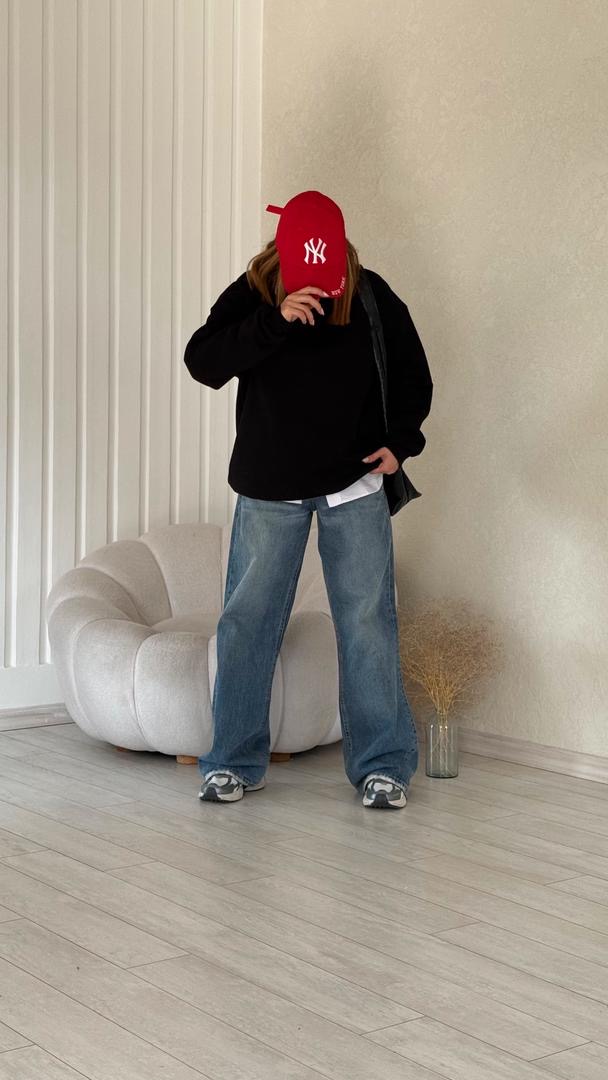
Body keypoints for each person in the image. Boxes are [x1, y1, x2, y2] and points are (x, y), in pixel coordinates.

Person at [183, 189, 433, 809]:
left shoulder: (369, 293)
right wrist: (274, 320)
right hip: (270, 487)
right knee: (248, 621)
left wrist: (402, 443)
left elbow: (413, 374)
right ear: (284, 249)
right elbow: (203, 361)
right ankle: (233, 761)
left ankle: (383, 766)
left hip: (355, 483)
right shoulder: (254, 291)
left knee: (368, 623)